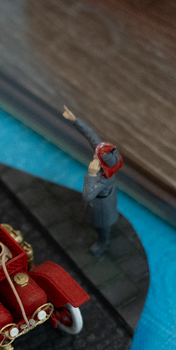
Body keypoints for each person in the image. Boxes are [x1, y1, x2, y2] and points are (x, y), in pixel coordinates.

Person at [63, 107, 123, 257]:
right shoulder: (106, 157)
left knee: (102, 226)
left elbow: (88, 195)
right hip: (103, 200)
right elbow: (91, 135)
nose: (96, 154)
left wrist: (91, 173)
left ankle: (103, 243)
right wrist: (75, 120)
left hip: (102, 205)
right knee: (100, 222)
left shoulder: (104, 179)